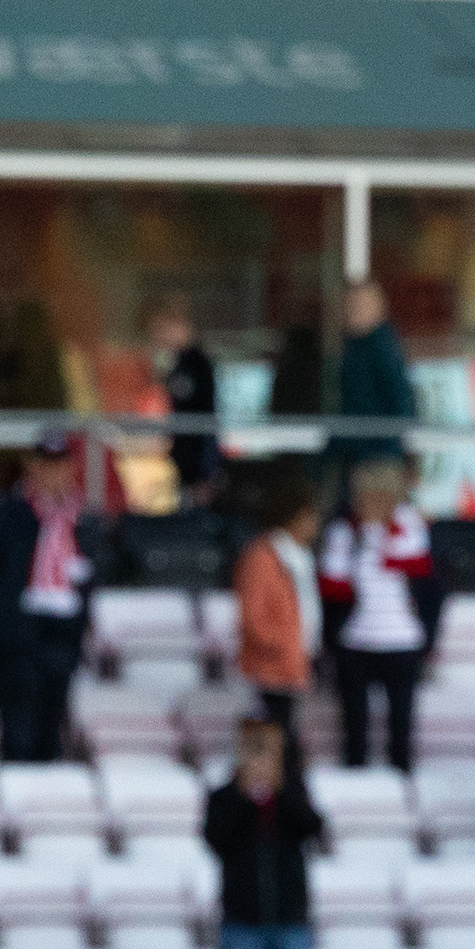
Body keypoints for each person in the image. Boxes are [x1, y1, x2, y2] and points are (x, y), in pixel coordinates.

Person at [0, 426, 93, 766]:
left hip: (61, 639)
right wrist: (2, 618)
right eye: (45, 463)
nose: (53, 473)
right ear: (31, 466)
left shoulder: (81, 522)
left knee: (50, 733)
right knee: (18, 734)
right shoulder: (6, 517)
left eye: (60, 464)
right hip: (16, 642)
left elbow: (90, 577)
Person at [318, 456, 438, 770]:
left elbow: (420, 568)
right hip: (355, 641)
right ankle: (357, 780)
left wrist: (381, 542)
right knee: (354, 725)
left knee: (401, 723)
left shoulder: (409, 524)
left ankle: (401, 779)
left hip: (402, 640)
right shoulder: (344, 532)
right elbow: (333, 586)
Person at [205, 718, 324, 949]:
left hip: (289, 917)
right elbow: (215, 839)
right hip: (242, 919)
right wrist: (243, 797)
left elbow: (312, 826)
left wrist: (281, 791)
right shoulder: (224, 797)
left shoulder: (292, 792)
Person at [229, 462, 318, 733]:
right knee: (275, 739)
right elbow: (253, 617)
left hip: (292, 663)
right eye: (311, 515)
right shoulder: (262, 557)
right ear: (296, 516)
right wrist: (281, 646)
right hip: (269, 668)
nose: (316, 523)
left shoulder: (300, 555)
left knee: (288, 736)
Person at [333, 275, 414, 477]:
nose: (355, 311)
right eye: (350, 304)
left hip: (377, 458)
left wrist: (390, 448)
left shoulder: (383, 348)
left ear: (379, 307)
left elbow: (401, 399)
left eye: (362, 304)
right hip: (355, 455)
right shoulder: (351, 347)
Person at [150, 295, 221, 506]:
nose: (160, 336)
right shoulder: (178, 363)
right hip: (185, 458)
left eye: (164, 328)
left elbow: (204, 414)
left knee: (196, 510)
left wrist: (207, 466)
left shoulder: (197, 363)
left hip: (198, 460)